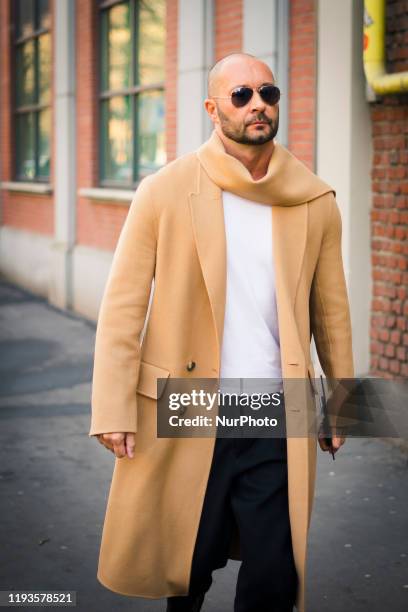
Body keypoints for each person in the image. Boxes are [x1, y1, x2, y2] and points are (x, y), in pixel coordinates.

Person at [89, 53, 354, 612]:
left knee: (276, 571)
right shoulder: (164, 190)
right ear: (213, 109)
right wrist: (112, 409)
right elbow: (122, 307)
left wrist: (345, 404)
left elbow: (332, 311)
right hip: (190, 401)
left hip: (277, 408)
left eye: (268, 92)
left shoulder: (314, 198)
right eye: (241, 95)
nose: (258, 103)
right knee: (188, 562)